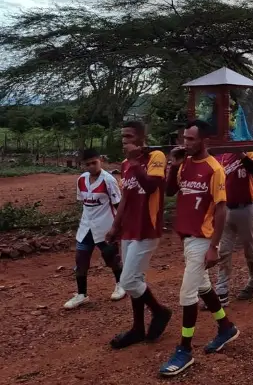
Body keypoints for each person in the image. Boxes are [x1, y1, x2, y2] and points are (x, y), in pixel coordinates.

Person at [160, 120, 240, 376]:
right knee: (204, 286)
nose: (186, 143)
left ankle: (184, 349)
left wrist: (214, 246)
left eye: (191, 139)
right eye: (185, 138)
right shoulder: (184, 164)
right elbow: (170, 191)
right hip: (187, 237)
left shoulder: (214, 169)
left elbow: (221, 208)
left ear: (205, 141)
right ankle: (226, 327)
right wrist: (173, 166)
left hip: (202, 238)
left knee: (187, 294)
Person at [105, 121, 172, 350]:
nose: (125, 140)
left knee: (128, 280)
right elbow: (126, 197)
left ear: (142, 137)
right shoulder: (125, 164)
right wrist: (115, 226)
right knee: (136, 279)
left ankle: (160, 312)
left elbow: (152, 186)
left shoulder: (156, 157)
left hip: (148, 228)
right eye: (123, 135)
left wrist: (135, 163)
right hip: (129, 229)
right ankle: (137, 328)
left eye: (130, 136)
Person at [64, 148, 125, 310]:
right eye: (87, 164)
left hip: (106, 227)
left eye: (94, 163)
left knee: (111, 258)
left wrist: (118, 228)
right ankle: (81, 294)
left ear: (101, 161)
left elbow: (118, 205)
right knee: (81, 259)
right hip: (86, 226)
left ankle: (121, 284)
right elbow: (83, 203)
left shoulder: (108, 180)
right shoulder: (81, 180)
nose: (91, 166)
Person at [213, 148, 253, 307]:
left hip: (246, 207)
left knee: (250, 248)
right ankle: (221, 290)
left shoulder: (250, 151)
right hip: (226, 208)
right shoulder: (221, 154)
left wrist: (241, 153)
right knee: (223, 250)